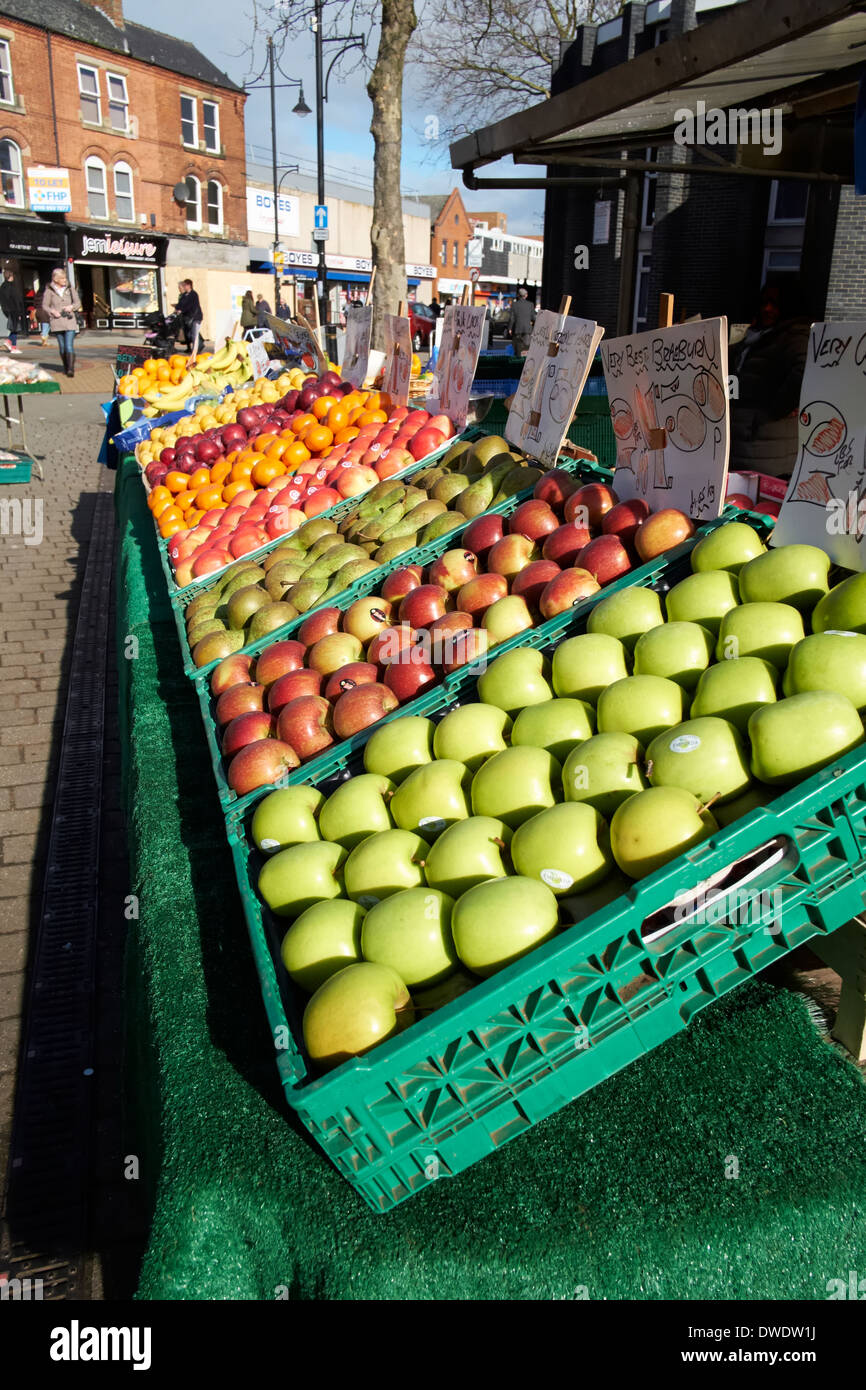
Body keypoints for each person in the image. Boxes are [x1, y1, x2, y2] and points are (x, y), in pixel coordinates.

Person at [730, 280, 812, 477]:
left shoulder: (795, 334)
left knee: (759, 500)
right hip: (747, 440)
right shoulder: (756, 335)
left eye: (775, 304)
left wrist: (775, 410)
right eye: (764, 302)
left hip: (766, 444)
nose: (767, 309)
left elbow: (803, 372)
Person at [41, 267, 82, 377]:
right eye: (62, 278)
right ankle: (65, 366)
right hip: (57, 321)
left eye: (65, 278)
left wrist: (71, 307)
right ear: (56, 279)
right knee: (62, 346)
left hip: (69, 320)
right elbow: (45, 305)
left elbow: (78, 302)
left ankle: (70, 369)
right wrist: (52, 311)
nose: (65, 280)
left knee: (69, 345)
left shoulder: (70, 288)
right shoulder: (49, 291)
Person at [174, 279, 203, 353]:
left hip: (195, 317)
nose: (183, 287)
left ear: (189, 285)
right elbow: (180, 304)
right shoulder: (184, 295)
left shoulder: (193, 294)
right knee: (188, 334)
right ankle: (194, 347)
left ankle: (195, 350)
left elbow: (190, 305)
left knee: (194, 334)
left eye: (185, 285)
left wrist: (182, 310)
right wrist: (177, 308)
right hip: (187, 317)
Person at [0, 270, 25, 353]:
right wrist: (19, 311)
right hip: (14, 309)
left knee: (13, 328)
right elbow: (16, 299)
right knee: (15, 327)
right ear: (10, 277)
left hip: (6, 309)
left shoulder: (3, 286)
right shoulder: (12, 287)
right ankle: (13, 346)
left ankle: (9, 342)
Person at [508, 285, 536, 354]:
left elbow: (512, 318)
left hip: (517, 330)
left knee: (517, 349)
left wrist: (510, 328)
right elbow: (533, 317)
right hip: (527, 330)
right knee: (526, 349)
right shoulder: (530, 305)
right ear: (526, 295)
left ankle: (517, 361)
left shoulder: (514, 305)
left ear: (518, 295)